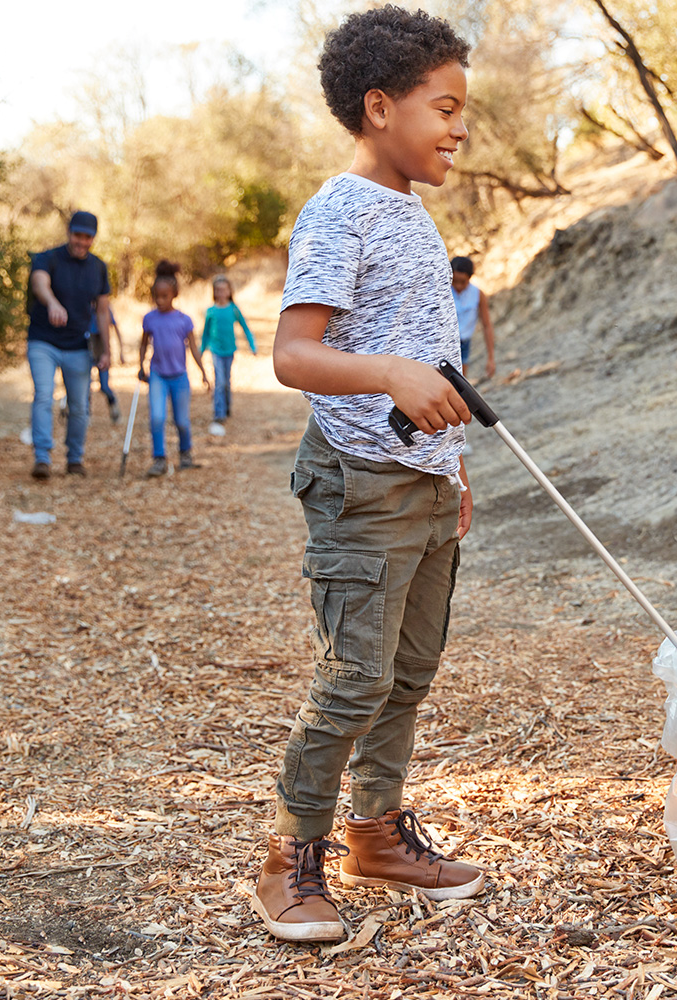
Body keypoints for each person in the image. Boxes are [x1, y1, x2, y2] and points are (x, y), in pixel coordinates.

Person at [256, 5, 481, 944]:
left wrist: (456, 468)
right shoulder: (338, 211)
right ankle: (287, 857)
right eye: (445, 106)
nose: (460, 127)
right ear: (380, 107)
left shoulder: (414, 214)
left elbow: (428, 353)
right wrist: (389, 375)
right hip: (362, 484)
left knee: (408, 673)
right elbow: (294, 355)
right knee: (355, 677)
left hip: (427, 486)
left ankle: (376, 833)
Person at [26, 211, 112, 479]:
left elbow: (102, 311)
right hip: (44, 341)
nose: (81, 241)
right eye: (77, 235)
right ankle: (42, 458)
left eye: (87, 237)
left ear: (93, 238)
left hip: (79, 346)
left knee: (79, 406)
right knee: (43, 395)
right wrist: (52, 303)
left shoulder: (98, 267)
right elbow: (39, 283)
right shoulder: (47, 258)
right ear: (69, 233)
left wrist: (107, 350)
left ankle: (74, 458)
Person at [137, 261, 209, 478]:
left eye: (164, 296)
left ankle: (185, 455)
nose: (160, 301)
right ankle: (158, 459)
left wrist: (203, 372)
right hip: (158, 375)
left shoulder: (183, 320)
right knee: (157, 418)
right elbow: (143, 344)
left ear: (174, 294)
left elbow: (194, 348)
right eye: (156, 297)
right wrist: (140, 365)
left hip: (179, 376)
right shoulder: (149, 318)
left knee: (182, 421)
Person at [202, 275, 257, 435]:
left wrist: (252, 345)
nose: (221, 293)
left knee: (227, 381)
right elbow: (205, 333)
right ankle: (218, 414)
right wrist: (200, 351)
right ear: (214, 292)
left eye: (224, 289)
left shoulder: (233, 309)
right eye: (218, 290)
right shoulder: (210, 311)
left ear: (229, 291)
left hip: (229, 350)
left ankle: (226, 408)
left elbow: (245, 328)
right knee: (219, 381)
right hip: (216, 351)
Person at [449, 256, 495, 380]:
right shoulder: (444, 292)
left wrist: (491, 357)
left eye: (462, 282)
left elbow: (486, 325)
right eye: (454, 281)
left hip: (464, 342)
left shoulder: (477, 294)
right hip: (446, 341)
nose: (458, 286)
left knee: (460, 381)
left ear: (469, 278)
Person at [89, 302, 125, 423]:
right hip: (87, 348)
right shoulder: (83, 306)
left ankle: (113, 405)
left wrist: (121, 351)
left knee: (104, 386)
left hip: (102, 350)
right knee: (85, 385)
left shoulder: (104, 308)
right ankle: (85, 414)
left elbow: (115, 328)